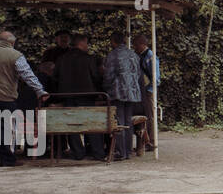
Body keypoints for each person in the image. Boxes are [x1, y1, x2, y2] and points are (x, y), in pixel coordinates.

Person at [0, 31, 47, 167]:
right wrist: (40, 91)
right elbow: (27, 75)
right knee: (7, 130)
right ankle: (7, 160)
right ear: (12, 43)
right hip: (5, 98)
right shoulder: (16, 56)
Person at [52, 34, 105, 161]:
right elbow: (96, 77)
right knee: (92, 124)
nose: (88, 46)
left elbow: (55, 77)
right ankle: (98, 152)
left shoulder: (61, 59)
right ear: (81, 43)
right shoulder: (89, 59)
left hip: (67, 95)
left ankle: (78, 153)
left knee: (72, 124)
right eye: (86, 43)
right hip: (87, 95)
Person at [103, 31, 142, 161]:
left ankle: (121, 152)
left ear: (113, 41)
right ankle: (129, 151)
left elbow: (108, 76)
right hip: (132, 92)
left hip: (118, 92)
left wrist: (106, 88)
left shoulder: (113, 55)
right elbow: (138, 74)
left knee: (119, 122)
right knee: (128, 121)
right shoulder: (134, 55)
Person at [131, 34, 158, 153]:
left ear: (142, 44)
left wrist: (149, 90)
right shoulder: (139, 55)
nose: (134, 47)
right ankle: (144, 141)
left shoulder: (150, 56)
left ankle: (150, 141)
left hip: (147, 91)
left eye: (135, 45)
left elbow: (155, 76)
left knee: (149, 116)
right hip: (141, 90)